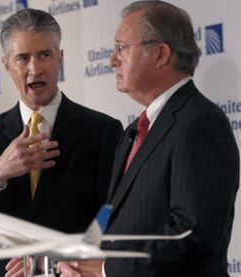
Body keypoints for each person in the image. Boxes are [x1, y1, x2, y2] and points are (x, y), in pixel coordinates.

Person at [57, 1, 239, 277]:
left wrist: (106, 269)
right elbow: (116, 221)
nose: (112, 59)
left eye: (122, 48)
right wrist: (74, 256)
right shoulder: (134, 132)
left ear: (160, 54)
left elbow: (191, 236)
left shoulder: (200, 123)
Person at [0, 8, 123, 276]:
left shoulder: (102, 130)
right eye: (23, 58)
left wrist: (50, 259)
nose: (35, 69)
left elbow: (112, 217)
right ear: (6, 65)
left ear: (60, 58)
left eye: (44, 55)